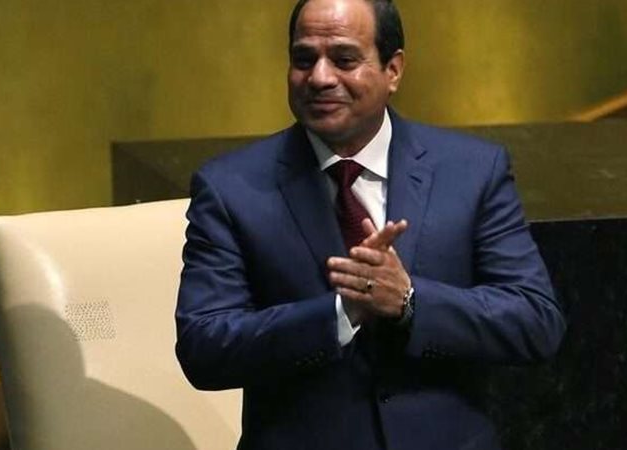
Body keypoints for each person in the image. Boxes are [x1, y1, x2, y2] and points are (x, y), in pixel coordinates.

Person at [175, 0, 566, 448]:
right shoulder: (231, 188)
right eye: (304, 59)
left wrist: (410, 301)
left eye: (344, 59)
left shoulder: (473, 171)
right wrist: (339, 315)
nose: (320, 77)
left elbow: (535, 321)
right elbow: (204, 346)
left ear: (392, 70)